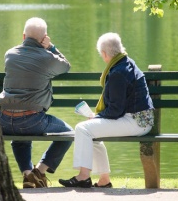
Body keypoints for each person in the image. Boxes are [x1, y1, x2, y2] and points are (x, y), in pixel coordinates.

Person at [59, 32, 154, 188]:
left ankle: (83, 177)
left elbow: (116, 110)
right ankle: (104, 180)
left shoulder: (118, 72)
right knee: (90, 132)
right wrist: (98, 117)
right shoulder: (126, 62)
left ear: (104, 54)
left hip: (137, 121)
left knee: (83, 129)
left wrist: (97, 116)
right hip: (141, 119)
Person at [0, 17, 73, 188]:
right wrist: (51, 47)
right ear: (44, 38)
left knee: (19, 134)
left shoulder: (9, 54)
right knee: (69, 134)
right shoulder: (47, 57)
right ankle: (39, 172)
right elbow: (66, 66)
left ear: (24, 36)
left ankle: (28, 176)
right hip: (32, 121)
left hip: (4, 120)